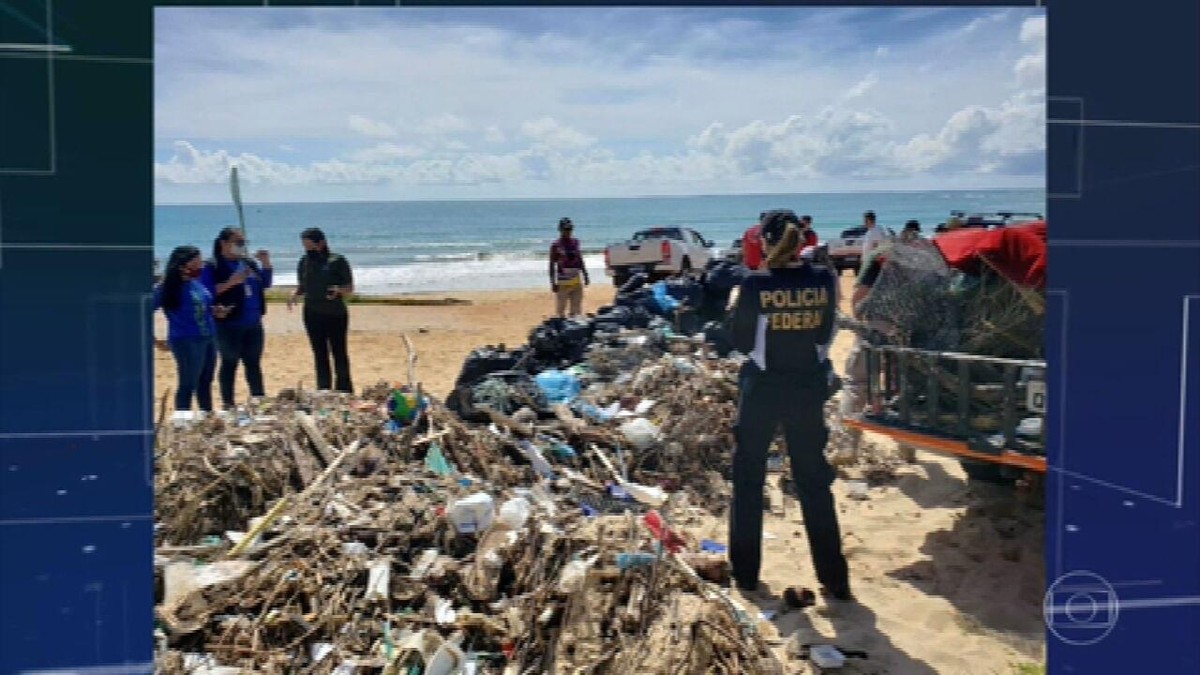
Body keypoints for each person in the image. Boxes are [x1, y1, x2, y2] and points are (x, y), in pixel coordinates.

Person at [727, 209, 851, 601]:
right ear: (801, 241)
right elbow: (826, 335)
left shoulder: (754, 285)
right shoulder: (824, 281)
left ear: (764, 242)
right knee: (814, 482)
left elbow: (743, 343)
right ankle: (834, 579)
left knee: (749, 480)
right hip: (807, 390)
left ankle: (746, 574)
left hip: (763, 389)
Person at [201, 227, 273, 410]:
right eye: (238, 242)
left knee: (253, 363)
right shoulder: (213, 266)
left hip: (253, 323)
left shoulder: (248, 263)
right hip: (229, 324)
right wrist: (231, 283)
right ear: (224, 244)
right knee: (229, 363)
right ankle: (228, 403)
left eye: (244, 243)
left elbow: (265, 283)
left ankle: (258, 400)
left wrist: (266, 264)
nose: (242, 246)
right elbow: (206, 292)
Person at [154, 245, 228, 412]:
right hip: (186, 340)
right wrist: (154, 340)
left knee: (206, 381)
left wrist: (216, 311)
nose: (201, 266)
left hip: (208, 337)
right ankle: (183, 420)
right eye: (196, 262)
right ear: (182, 265)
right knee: (188, 383)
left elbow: (203, 306)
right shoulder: (167, 287)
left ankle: (206, 415)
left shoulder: (196, 283)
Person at [288, 228, 354, 393]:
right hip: (312, 313)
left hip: (335, 313)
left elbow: (350, 287)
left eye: (310, 246)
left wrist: (338, 290)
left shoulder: (337, 260)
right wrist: (295, 293)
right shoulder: (304, 261)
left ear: (321, 243)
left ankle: (344, 390)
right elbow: (303, 285)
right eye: (305, 246)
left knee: (339, 352)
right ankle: (324, 389)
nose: (308, 250)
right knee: (319, 353)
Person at [548, 217, 590, 317]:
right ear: (560, 229)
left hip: (576, 281)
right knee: (561, 310)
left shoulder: (576, 242)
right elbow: (551, 264)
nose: (568, 232)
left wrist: (585, 275)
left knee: (576, 310)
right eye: (566, 229)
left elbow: (580, 259)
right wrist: (553, 282)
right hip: (563, 283)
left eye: (570, 229)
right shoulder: (556, 245)